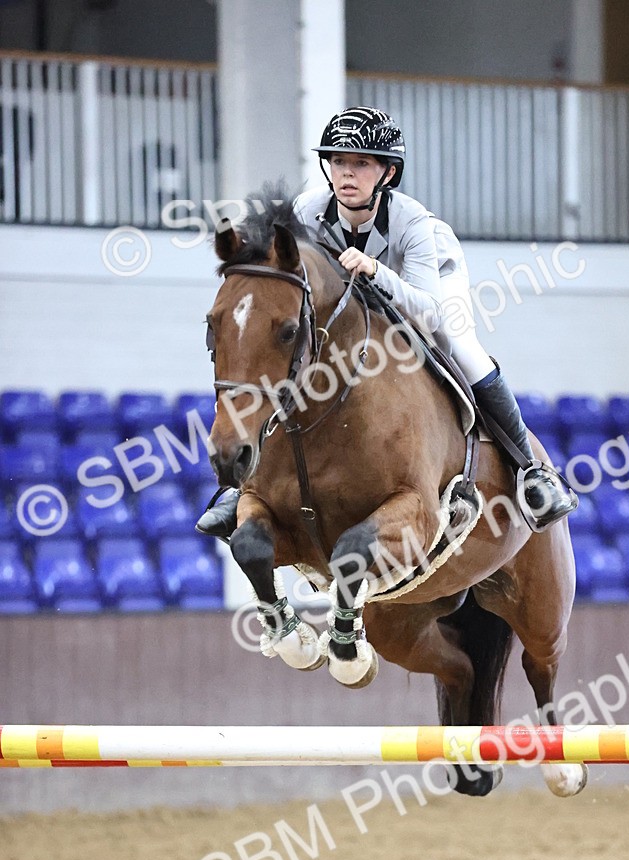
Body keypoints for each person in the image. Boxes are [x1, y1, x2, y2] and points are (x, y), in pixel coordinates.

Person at [198, 106, 576, 538]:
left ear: (387, 173)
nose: (346, 173)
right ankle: (245, 489)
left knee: (461, 345)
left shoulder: (414, 224)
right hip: (352, 307)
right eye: (338, 162)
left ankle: (530, 470)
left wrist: (378, 273)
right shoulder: (307, 212)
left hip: (427, 287)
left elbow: (429, 311)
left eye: (361, 163)